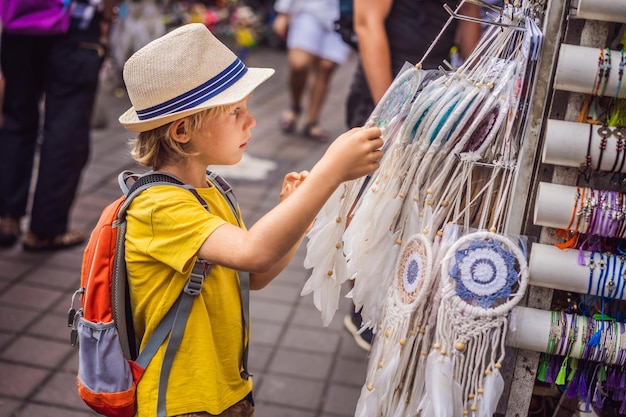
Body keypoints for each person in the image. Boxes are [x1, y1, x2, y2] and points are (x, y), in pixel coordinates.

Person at [118, 23, 383, 416]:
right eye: (236, 112)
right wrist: (331, 172)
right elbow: (254, 254)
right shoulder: (157, 208)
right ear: (182, 131)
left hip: (227, 388)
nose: (251, 121)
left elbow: (253, 276)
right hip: (182, 400)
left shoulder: (212, 190)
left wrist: (297, 218)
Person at [343, 0, 483, 350]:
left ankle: (391, 296)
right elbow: (366, 24)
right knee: (370, 197)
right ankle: (360, 303)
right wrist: (391, 111)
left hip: (435, 90)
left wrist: (482, 89)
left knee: (413, 204)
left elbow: (470, 24)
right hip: (387, 84)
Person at [0, 0, 116, 250]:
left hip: (19, 24)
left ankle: (6, 219)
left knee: (16, 121)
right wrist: (106, 20)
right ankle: (46, 230)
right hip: (75, 28)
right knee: (66, 127)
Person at [272, 0, 351, 142]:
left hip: (344, 14)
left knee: (326, 68)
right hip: (310, 9)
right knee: (299, 64)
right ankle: (294, 107)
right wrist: (284, 12)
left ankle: (311, 122)